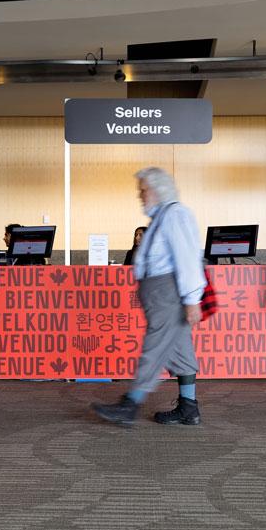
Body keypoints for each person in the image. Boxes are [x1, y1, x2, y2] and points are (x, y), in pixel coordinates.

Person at [92, 168, 206, 425]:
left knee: (154, 348)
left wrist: (191, 299)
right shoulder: (163, 217)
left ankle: (130, 404)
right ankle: (189, 407)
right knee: (179, 348)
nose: (140, 196)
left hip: (167, 292)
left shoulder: (176, 214)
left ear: (157, 190)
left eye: (143, 190)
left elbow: (187, 257)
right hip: (161, 293)